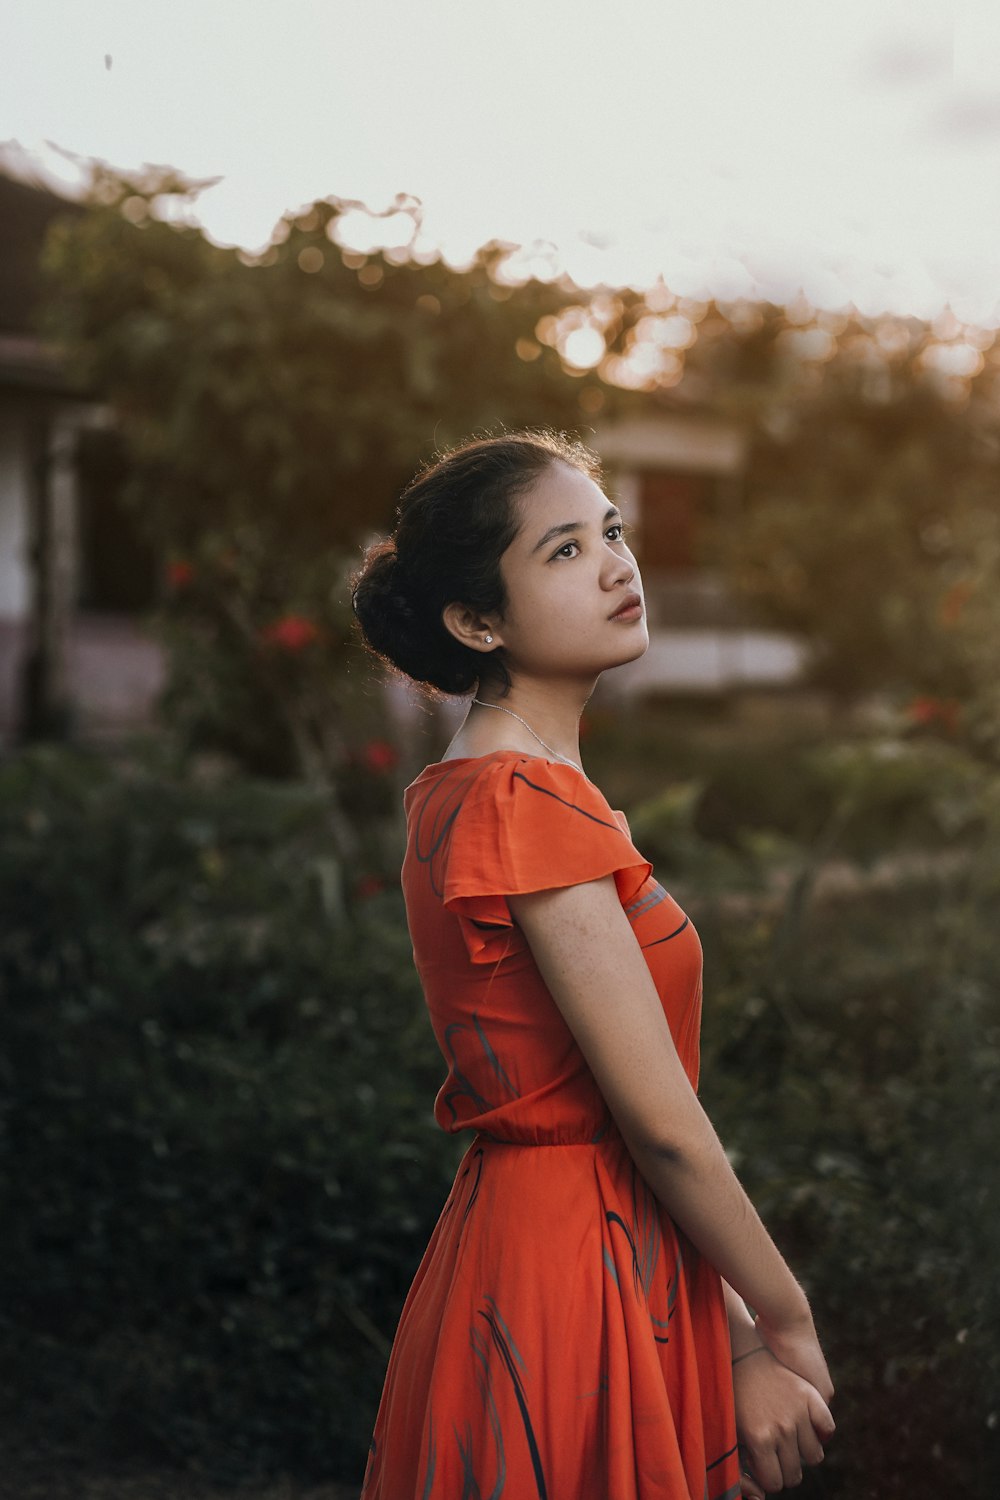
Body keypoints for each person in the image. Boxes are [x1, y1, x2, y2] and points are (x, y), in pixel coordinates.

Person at [351, 430, 835, 1500]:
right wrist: (781, 1323)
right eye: (563, 551)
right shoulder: (519, 802)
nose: (619, 564)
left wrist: (736, 1330)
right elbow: (659, 1129)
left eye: (611, 532)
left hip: (559, 1243)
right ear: (478, 621)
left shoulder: (483, 788)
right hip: (572, 1268)